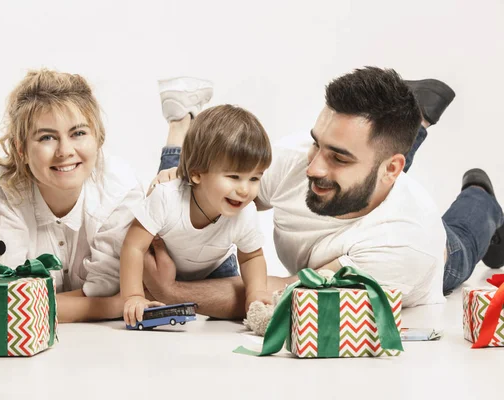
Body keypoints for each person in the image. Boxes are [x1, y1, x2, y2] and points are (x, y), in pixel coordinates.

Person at [141, 67, 504, 319]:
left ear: (394, 168)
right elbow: (198, 198)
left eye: (337, 157)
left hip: (442, 255)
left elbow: (286, 293)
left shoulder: (405, 247)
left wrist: (173, 294)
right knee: (356, 172)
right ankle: (414, 118)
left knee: (469, 228)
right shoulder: (303, 156)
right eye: (319, 145)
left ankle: (481, 194)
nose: (312, 167)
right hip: (375, 179)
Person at [0, 69, 161, 323]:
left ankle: (180, 125)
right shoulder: (0, 190)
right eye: (47, 137)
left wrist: (110, 299)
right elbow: (3, 300)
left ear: (98, 138)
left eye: (78, 133)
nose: (64, 151)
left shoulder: (120, 189)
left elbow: (106, 286)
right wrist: (112, 306)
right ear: (22, 150)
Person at [120, 78, 273, 327]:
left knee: (232, 311)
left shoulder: (245, 213)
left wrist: (256, 294)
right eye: (234, 176)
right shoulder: (167, 198)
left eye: (255, 178)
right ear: (198, 173)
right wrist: (133, 296)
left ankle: (189, 127)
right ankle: (179, 122)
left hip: (215, 266)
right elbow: (133, 246)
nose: (245, 190)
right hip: (165, 260)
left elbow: (251, 257)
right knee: (169, 176)